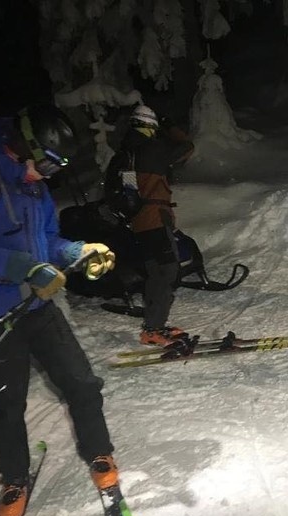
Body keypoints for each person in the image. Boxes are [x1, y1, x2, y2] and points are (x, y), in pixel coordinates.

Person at [0, 104, 119, 516]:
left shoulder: (33, 185)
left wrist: (77, 252)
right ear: (22, 146)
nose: (48, 175)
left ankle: (100, 453)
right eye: (48, 165)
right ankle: (14, 478)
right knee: (6, 404)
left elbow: (48, 240)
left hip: (35, 305)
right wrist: (26, 267)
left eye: (56, 170)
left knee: (82, 383)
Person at [105, 104, 191, 347]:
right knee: (168, 272)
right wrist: (169, 124)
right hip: (154, 218)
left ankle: (152, 327)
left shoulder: (125, 152)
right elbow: (187, 147)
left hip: (138, 222)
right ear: (151, 126)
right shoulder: (151, 148)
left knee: (156, 272)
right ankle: (154, 328)